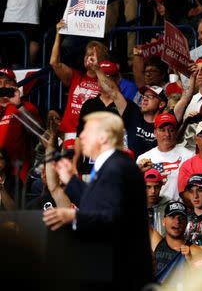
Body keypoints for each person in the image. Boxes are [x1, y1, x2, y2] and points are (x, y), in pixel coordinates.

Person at [42, 111, 152, 290]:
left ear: (103, 137)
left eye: (87, 131)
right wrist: (71, 180)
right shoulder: (113, 166)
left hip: (121, 277)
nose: (81, 135)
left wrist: (73, 216)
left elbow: (113, 217)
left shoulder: (116, 168)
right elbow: (98, 203)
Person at [49, 19, 109, 149]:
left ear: (103, 60)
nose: (89, 58)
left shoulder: (107, 82)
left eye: (94, 55)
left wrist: (98, 69)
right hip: (68, 134)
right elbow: (54, 63)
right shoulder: (75, 76)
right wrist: (58, 34)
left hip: (92, 136)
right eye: (87, 54)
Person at [136, 112, 194, 201]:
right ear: (155, 132)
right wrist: (137, 171)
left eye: (171, 130)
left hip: (179, 211)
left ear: (176, 132)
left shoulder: (189, 157)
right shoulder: (143, 158)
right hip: (151, 210)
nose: (167, 134)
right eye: (162, 130)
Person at [0, 68, 42, 182]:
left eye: (7, 82)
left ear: (15, 85)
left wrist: (18, 104)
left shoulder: (25, 107)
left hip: (18, 179)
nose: (2, 86)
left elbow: (38, 133)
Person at [150, 201, 202, 282]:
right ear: (163, 221)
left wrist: (190, 261)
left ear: (186, 223)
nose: (177, 221)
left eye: (181, 218)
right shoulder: (157, 242)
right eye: (172, 216)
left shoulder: (194, 251)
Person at [145, 168, 169, 236]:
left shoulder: (169, 206)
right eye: (148, 187)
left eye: (156, 187)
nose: (153, 191)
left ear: (161, 187)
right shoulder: (133, 207)